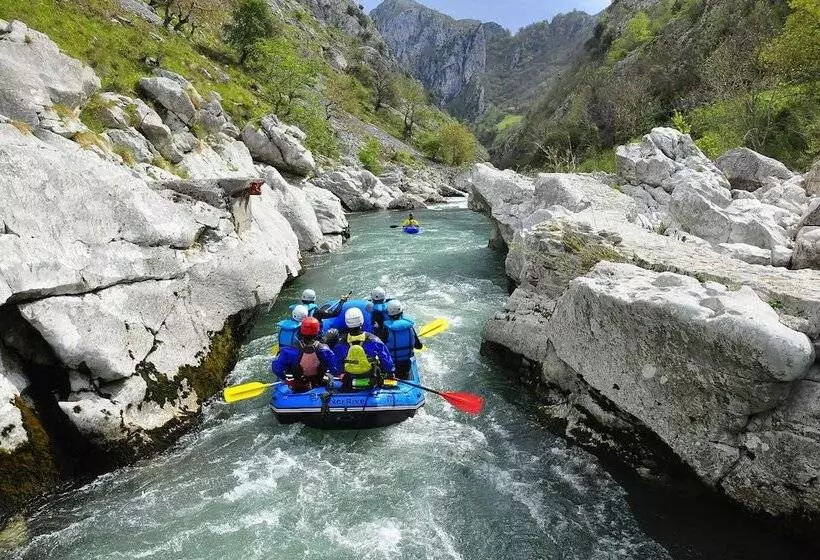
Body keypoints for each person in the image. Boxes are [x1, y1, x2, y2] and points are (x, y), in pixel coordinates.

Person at [333, 308, 396, 391]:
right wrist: (390, 373)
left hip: (350, 378)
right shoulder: (374, 340)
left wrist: (340, 373)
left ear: (347, 323)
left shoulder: (340, 343)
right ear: (361, 321)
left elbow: (337, 364)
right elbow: (386, 360)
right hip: (371, 376)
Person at [271, 318, 337, 393]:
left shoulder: (288, 351)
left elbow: (276, 368)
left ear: (301, 331)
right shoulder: (325, 350)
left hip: (299, 385)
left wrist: (285, 379)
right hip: (319, 382)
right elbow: (334, 368)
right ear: (317, 331)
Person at [383, 300, 423, 380]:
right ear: (401, 312)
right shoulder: (410, 328)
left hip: (391, 365)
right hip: (406, 366)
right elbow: (419, 346)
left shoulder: (385, 329)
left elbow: (380, 348)